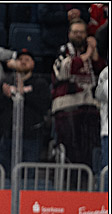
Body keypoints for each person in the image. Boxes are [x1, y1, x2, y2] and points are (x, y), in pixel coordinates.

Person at [52, 18, 106, 168]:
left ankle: (86, 185)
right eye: (75, 32)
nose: (78, 35)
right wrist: (88, 54)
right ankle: (69, 186)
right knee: (70, 150)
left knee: (88, 151)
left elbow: (101, 74)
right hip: (67, 108)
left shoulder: (91, 53)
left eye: (82, 32)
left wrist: (93, 54)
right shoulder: (64, 50)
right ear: (69, 34)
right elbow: (63, 71)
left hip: (89, 108)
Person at [0, 49, 51, 174]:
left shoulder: (40, 83)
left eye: (27, 60)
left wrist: (24, 95)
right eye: (20, 59)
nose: (23, 62)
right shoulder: (5, 82)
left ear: (33, 64)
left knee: (28, 175)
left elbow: (45, 105)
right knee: (4, 175)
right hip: (5, 137)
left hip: (31, 137)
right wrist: (5, 97)